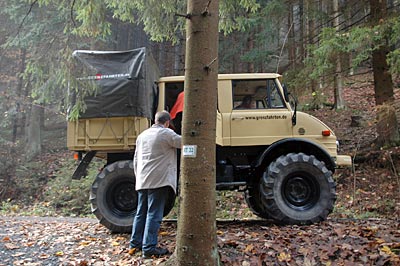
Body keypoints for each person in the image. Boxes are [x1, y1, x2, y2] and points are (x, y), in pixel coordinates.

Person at [129, 111, 182, 258]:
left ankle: (135, 244)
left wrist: (138, 177)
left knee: (141, 213)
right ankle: (149, 247)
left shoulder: (142, 136)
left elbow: (135, 160)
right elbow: (184, 142)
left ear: (155, 120)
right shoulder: (166, 134)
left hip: (142, 180)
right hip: (158, 180)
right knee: (154, 214)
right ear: (166, 122)